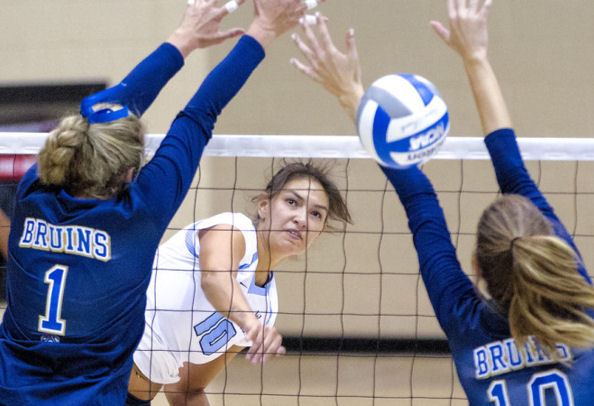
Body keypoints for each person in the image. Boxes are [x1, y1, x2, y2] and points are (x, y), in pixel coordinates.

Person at [0, 0, 309, 404]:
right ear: (130, 174)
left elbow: (99, 113)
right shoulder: (137, 213)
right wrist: (263, 28)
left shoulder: (33, 190)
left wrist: (183, 38)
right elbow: (200, 112)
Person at [290, 1, 594, 404]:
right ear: (551, 247)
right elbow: (512, 170)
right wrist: (476, 56)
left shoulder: (465, 320)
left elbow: (421, 202)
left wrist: (355, 97)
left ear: (476, 268)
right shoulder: (577, 303)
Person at [126, 161, 351, 405]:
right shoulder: (234, 229)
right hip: (103, 360)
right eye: (292, 202)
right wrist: (250, 323)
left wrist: (254, 322)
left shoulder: (265, 309)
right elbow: (215, 277)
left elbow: (187, 389)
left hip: (132, 396)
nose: (302, 219)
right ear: (264, 206)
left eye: (315, 214)